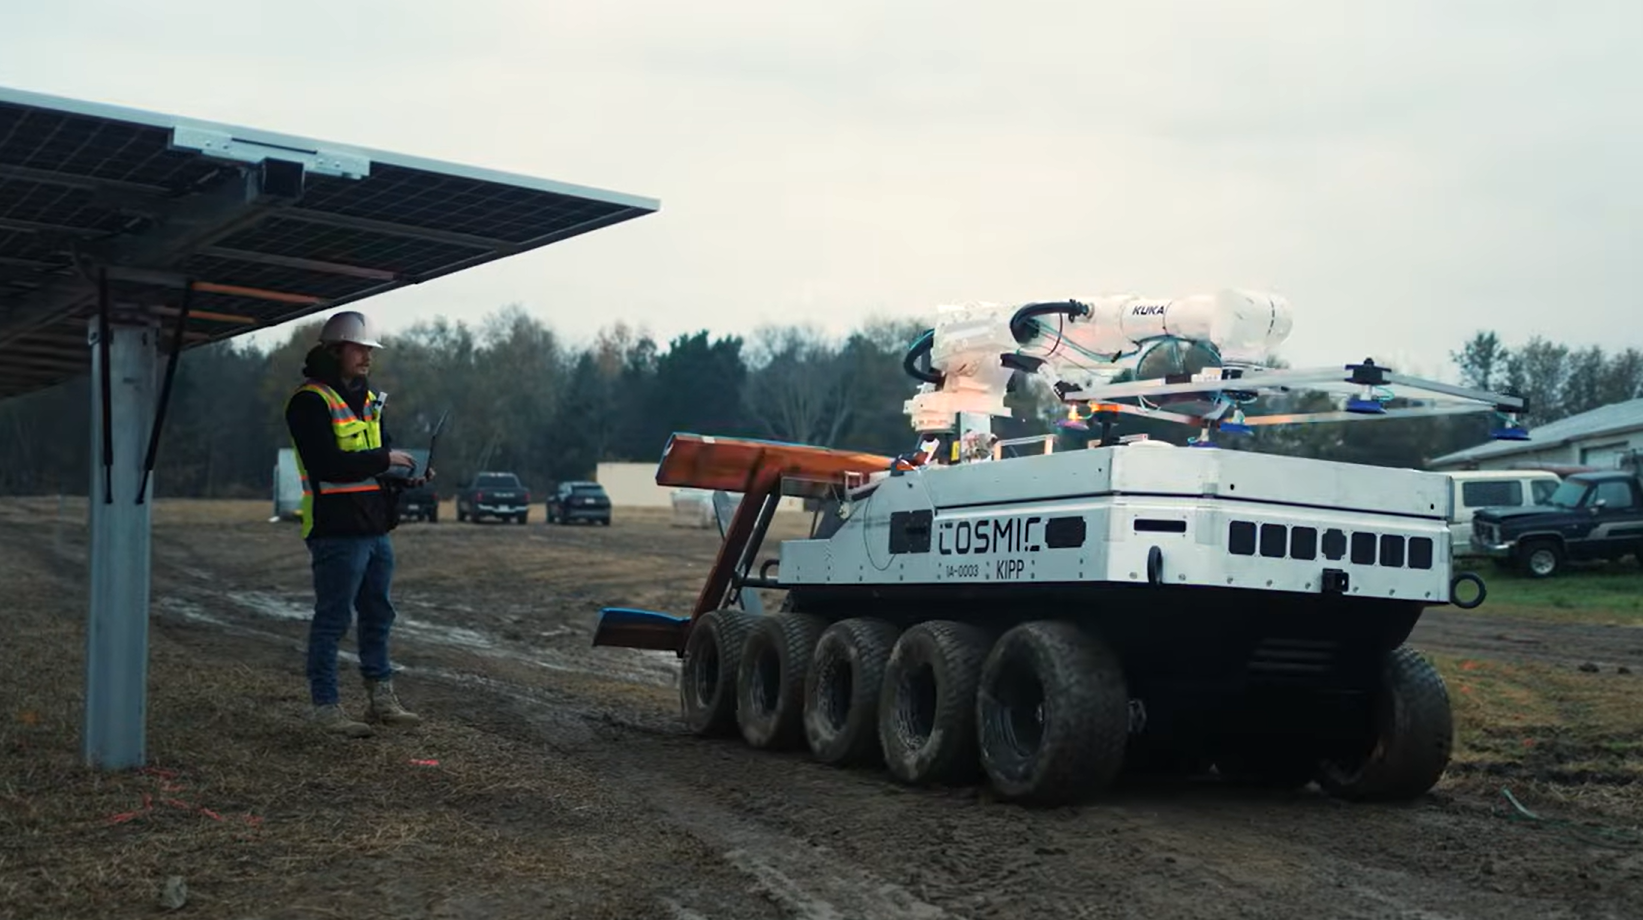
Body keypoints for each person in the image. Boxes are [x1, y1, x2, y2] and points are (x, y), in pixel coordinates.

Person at [284, 310, 432, 737]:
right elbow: (327, 464)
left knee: (378, 614)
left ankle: (380, 700)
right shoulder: (309, 401)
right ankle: (326, 707)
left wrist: (404, 477)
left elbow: (374, 465)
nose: (368, 357)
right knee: (333, 619)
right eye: (360, 349)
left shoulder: (369, 401)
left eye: (370, 350)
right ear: (335, 350)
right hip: (335, 528)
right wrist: (385, 459)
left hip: (374, 526)